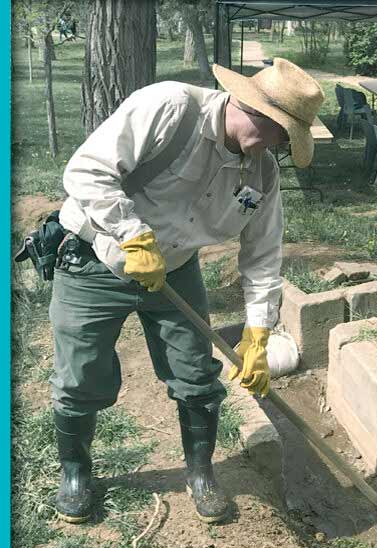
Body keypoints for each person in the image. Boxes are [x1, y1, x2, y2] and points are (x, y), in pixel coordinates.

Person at [49, 59, 324, 524]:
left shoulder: (262, 175)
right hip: (95, 259)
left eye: (285, 139)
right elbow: (85, 171)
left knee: (197, 375)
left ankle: (200, 472)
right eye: (279, 133)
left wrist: (258, 334)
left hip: (173, 271)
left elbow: (262, 258)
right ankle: (75, 472)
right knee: (80, 378)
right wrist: (132, 234)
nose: (276, 146)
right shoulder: (170, 108)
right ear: (248, 106)